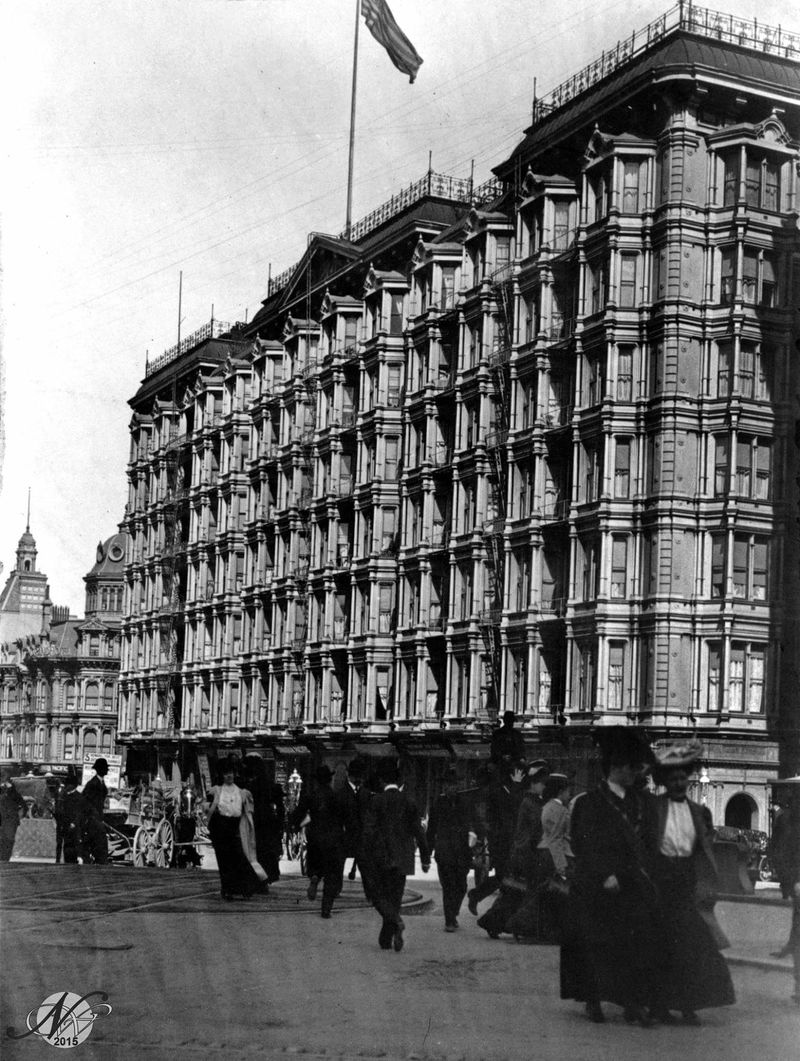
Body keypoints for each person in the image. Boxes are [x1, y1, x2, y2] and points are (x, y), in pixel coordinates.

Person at [560, 727, 662, 1027]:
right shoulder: (589, 803)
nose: (635, 774)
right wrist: (605, 874)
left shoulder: (641, 803)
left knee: (634, 945)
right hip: (598, 885)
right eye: (631, 768)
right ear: (616, 768)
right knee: (596, 945)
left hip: (632, 884)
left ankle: (632, 1003)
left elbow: (649, 843)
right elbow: (582, 843)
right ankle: (593, 1000)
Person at [642, 740, 735, 1025]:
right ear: (664, 781)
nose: (680, 783)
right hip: (659, 881)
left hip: (686, 883)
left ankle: (688, 1004)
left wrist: (707, 884)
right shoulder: (654, 808)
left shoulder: (698, 812)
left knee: (692, 947)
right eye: (674, 779)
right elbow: (644, 845)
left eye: (683, 778)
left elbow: (704, 850)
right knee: (660, 948)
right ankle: (658, 1005)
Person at [367, 759, 430, 951]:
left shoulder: (376, 801)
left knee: (377, 896)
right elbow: (419, 832)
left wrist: (365, 855)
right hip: (403, 858)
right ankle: (386, 939)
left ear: (382, 782)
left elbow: (369, 831)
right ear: (398, 781)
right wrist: (426, 858)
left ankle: (396, 921)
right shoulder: (408, 801)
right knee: (394, 898)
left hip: (381, 857)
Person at [467, 757, 525, 913]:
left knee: (504, 877)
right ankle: (480, 899)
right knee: (504, 877)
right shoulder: (499, 790)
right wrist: (517, 785)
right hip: (501, 840)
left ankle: (479, 898)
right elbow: (512, 807)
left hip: (504, 839)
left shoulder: (501, 789)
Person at [291, 765, 347, 918]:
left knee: (315, 864)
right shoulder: (336, 796)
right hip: (333, 839)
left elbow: (298, 814)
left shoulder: (310, 796)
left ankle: (315, 877)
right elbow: (344, 818)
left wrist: (296, 826)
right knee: (331, 876)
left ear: (316, 781)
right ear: (330, 780)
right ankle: (326, 909)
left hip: (315, 837)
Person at [427, 766, 474, 932]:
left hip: (462, 852)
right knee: (448, 887)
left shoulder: (465, 803)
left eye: (453, 785)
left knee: (461, 886)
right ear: (443, 787)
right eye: (447, 785)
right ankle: (449, 920)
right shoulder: (438, 804)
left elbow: (474, 824)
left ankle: (453, 913)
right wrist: (427, 853)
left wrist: (477, 836)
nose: (450, 788)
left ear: (458, 786)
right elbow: (431, 830)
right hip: (444, 852)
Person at [207, 760, 259, 900]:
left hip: (236, 827)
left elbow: (249, 810)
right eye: (226, 773)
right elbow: (208, 809)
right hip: (221, 828)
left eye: (230, 773)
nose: (229, 776)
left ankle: (244, 888)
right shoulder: (216, 790)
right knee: (224, 861)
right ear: (222, 775)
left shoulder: (242, 792)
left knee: (239, 858)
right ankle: (227, 889)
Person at [243, 754, 284, 884]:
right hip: (268, 823)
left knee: (254, 852)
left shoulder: (249, 786)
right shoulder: (271, 785)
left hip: (253, 821)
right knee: (266, 853)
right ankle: (265, 879)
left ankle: (255, 879)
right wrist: (280, 824)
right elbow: (280, 808)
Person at [54, 768, 85, 864]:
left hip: (73, 825)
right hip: (63, 824)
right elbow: (59, 809)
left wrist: (74, 823)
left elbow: (79, 812)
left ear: (73, 786)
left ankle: (76, 859)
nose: (67, 787)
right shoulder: (64, 796)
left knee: (73, 843)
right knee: (61, 843)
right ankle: (58, 859)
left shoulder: (79, 797)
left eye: (68, 785)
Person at [82, 758, 110, 864]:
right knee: (100, 840)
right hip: (93, 818)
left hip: (97, 816)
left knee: (98, 841)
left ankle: (100, 860)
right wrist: (94, 815)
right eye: (105, 768)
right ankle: (101, 861)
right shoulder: (93, 784)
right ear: (101, 769)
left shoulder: (100, 782)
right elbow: (86, 801)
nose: (107, 771)